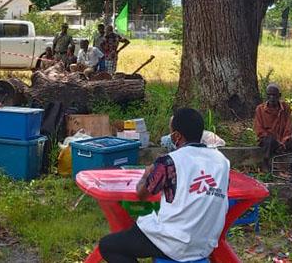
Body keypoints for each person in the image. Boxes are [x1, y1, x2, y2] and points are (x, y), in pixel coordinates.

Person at [98, 108, 230, 263]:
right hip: (204, 243)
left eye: (171, 132)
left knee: (109, 245)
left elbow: (141, 194)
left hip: (173, 242)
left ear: (177, 136)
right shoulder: (222, 161)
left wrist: (147, 173)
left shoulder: (169, 162)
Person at [254, 83, 292, 161]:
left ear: (279, 95)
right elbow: (259, 129)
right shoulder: (260, 109)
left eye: (274, 95)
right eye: (269, 95)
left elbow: (288, 126)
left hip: (283, 140)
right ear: (266, 96)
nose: (272, 98)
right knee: (269, 140)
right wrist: (274, 140)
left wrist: (284, 140)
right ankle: (267, 163)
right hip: (269, 141)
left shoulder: (285, 108)